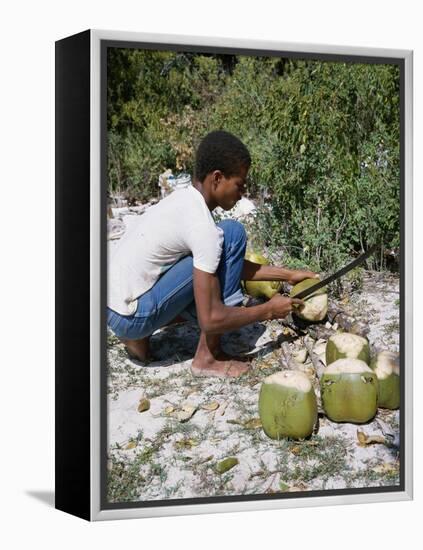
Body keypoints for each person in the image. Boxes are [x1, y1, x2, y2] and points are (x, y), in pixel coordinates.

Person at [107, 130, 317, 378]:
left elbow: (227, 264)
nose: (243, 192)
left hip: (113, 307)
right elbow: (210, 319)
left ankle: (137, 336)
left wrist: (287, 275)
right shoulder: (202, 227)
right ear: (217, 178)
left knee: (224, 239)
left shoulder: (182, 200)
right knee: (233, 233)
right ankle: (207, 357)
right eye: (240, 184)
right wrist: (269, 311)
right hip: (134, 314)